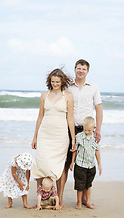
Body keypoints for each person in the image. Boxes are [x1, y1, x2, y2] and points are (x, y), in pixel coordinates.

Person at [59, 59, 103, 207]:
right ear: (75, 69)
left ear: (87, 71)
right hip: (68, 128)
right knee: (65, 164)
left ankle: (84, 199)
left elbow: (98, 108)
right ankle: (60, 197)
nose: (81, 71)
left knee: (86, 164)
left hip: (86, 131)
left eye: (83, 69)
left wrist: (98, 129)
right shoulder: (68, 87)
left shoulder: (93, 87)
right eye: (78, 68)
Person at [31, 69, 75, 200]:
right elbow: (40, 117)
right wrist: (35, 137)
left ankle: (59, 199)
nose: (55, 84)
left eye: (57, 82)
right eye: (53, 81)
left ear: (62, 82)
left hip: (60, 136)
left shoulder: (68, 96)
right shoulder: (44, 95)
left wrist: (73, 139)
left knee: (59, 167)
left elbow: (70, 119)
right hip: (45, 135)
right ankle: (40, 198)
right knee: (40, 164)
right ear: (49, 81)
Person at [70, 116, 102, 210]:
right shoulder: (79, 137)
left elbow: (97, 151)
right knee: (80, 185)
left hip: (91, 166)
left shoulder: (94, 139)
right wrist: (72, 162)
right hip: (80, 165)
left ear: (94, 128)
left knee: (88, 185)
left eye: (89, 130)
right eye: (85, 129)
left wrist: (99, 165)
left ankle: (87, 202)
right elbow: (75, 150)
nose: (86, 132)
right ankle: (79, 202)